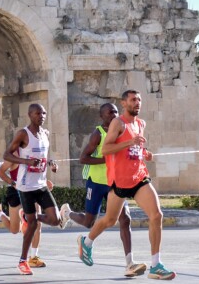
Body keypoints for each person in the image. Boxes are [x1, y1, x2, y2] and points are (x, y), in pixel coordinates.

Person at [77, 90, 176, 280]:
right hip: (119, 181)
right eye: (133, 100)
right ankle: (86, 242)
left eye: (139, 100)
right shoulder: (118, 123)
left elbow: (134, 148)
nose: (137, 103)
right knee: (109, 220)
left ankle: (156, 265)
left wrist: (144, 152)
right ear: (124, 103)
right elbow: (106, 149)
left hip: (139, 177)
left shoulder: (141, 123)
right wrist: (130, 141)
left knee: (156, 215)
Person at [60, 103, 146, 277]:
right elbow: (83, 158)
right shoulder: (98, 134)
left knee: (125, 219)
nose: (114, 114)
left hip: (116, 182)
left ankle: (129, 263)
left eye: (115, 111)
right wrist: (105, 161)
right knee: (89, 222)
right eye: (109, 112)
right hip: (97, 182)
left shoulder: (122, 131)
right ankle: (68, 213)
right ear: (102, 116)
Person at [3, 104, 65, 275]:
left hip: (41, 184)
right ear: (30, 115)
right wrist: (27, 162)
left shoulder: (45, 134)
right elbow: (6, 155)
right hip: (25, 186)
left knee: (54, 219)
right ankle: (23, 261)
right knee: (32, 226)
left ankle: (28, 216)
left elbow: (43, 155)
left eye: (44, 113)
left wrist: (51, 163)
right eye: (38, 113)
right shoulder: (23, 134)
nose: (42, 115)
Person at [0, 157, 48, 268]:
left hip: (33, 190)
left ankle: (33, 257)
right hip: (16, 191)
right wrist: (13, 183)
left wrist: (45, 182)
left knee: (37, 224)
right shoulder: (15, 154)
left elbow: (37, 173)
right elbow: (0, 172)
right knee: (14, 230)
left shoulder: (37, 150)